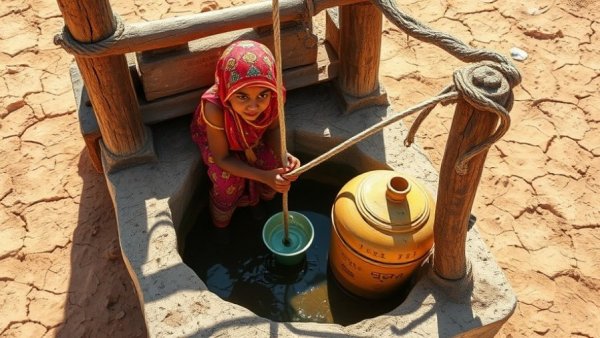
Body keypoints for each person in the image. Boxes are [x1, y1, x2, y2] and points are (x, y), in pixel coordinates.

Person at [191, 40, 301, 228]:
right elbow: (222, 158)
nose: (253, 106)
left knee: (273, 163)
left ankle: (257, 201)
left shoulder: (275, 98)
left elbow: (273, 129)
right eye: (242, 96)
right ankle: (221, 227)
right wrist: (265, 176)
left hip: (253, 138)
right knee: (227, 185)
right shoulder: (215, 108)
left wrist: (284, 155)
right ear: (227, 90)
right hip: (220, 146)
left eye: (262, 95)